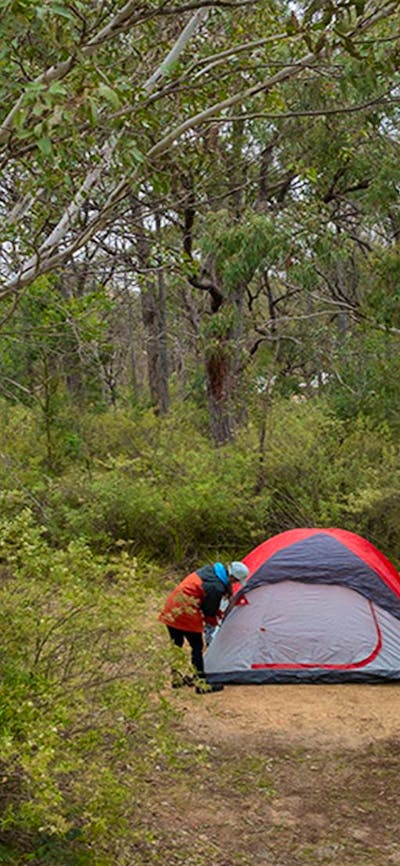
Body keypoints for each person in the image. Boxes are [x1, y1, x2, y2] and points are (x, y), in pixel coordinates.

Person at [158, 560, 249, 693]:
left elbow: (205, 601)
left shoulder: (210, 571)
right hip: (185, 612)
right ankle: (201, 684)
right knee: (197, 647)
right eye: (235, 581)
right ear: (232, 577)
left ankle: (176, 678)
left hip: (171, 609)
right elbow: (209, 612)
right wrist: (216, 622)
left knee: (176, 645)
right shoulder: (216, 586)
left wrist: (216, 613)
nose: (234, 584)